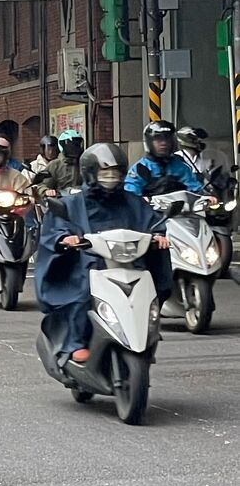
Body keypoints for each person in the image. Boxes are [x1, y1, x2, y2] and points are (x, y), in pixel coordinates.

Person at [35, 143, 171, 364]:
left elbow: (152, 222)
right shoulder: (72, 203)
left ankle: (143, 330)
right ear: (90, 173)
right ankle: (75, 342)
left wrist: (158, 236)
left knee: (148, 288)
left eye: (115, 173)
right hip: (89, 264)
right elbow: (57, 226)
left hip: (129, 264)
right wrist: (65, 239)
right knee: (81, 291)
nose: (110, 177)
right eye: (104, 172)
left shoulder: (133, 201)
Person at [125, 121, 206, 198]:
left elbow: (195, 188)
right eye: (158, 139)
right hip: (148, 211)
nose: (164, 143)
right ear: (149, 142)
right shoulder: (140, 168)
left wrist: (205, 197)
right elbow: (131, 193)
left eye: (167, 139)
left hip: (180, 210)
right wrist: (141, 200)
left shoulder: (180, 167)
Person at [36, 129, 84, 197]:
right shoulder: (55, 165)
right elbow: (41, 184)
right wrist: (46, 191)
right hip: (61, 201)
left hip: (82, 201)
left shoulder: (84, 164)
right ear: (63, 145)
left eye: (77, 144)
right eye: (72, 145)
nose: (75, 148)